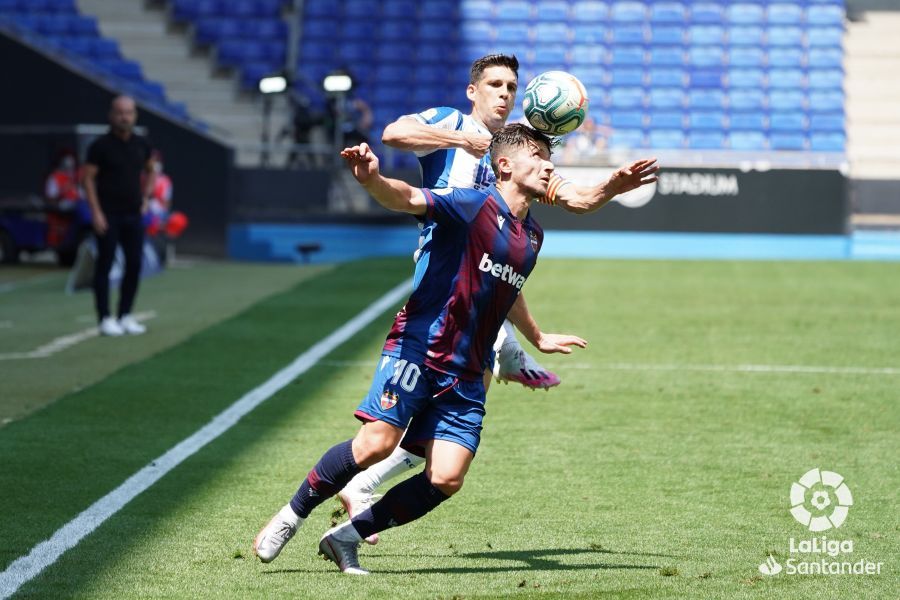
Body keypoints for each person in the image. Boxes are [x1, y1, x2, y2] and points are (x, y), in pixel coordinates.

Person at [335, 54, 659, 543]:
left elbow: (575, 198)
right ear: (473, 90)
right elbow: (393, 134)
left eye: (511, 85)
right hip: (444, 273)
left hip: (485, 276)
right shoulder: (452, 122)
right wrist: (458, 139)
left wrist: (611, 185)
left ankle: (367, 482)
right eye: (494, 84)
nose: (504, 93)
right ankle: (506, 355)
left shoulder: (521, 151)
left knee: (460, 404)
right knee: (460, 379)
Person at [254, 124, 587, 574]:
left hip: (468, 371)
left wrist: (538, 336)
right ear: (505, 165)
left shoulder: (533, 237)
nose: (549, 164)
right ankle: (291, 516)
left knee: (447, 477)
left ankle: (344, 539)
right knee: (375, 445)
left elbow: (509, 290)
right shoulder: (472, 205)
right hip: (419, 349)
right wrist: (371, 179)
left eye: (551, 157)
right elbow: (410, 198)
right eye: (537, 156)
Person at [82, 95, 155, 337]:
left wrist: (146, 198)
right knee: (105, 263)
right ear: (111, 115)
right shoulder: (100, 146)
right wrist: (96, 211)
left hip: (133, 213)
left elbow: (152, 170)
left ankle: (126, 314)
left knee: (134, 264)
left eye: (129, 112)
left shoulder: (141, 144)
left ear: (135, 115)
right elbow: (88, 179)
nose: (125, 117)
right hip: (108, 214)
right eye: (120, 112)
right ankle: (104, 317)